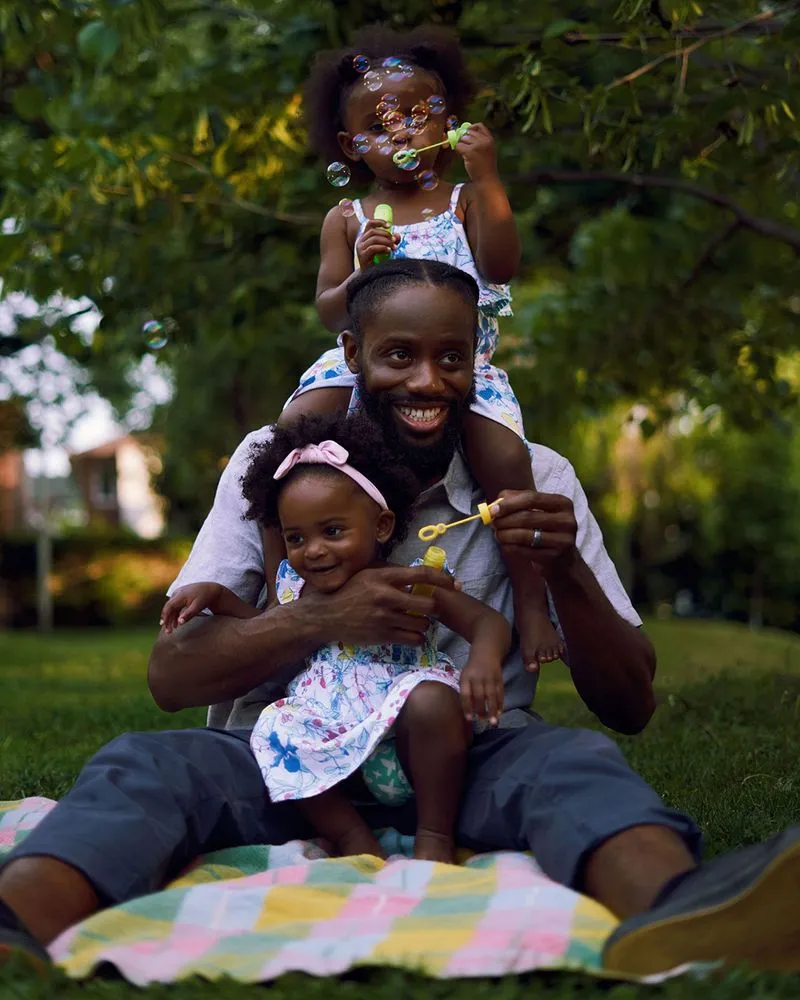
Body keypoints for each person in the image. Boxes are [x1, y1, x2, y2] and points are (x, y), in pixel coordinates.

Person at [1, 261, 799, 979]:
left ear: (476, 361)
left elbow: (631, 706)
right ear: (352, 354)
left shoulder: (535, 475)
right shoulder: (276, 468)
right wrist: (319, 620)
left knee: (573, 765)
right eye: (398, 356)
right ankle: (21, 919)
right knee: (147, 767)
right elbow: (170, 680)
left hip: (473, 759)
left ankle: (682, 911)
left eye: (451, 359)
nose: (429, 382)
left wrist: (563, 568)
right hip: (288, 764)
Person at [279, 23, 563, 673]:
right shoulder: (348, 219)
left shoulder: (464, 200)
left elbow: (503, 262)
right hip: (366, 360)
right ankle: (282, 586)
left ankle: (528, 595)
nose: (404, 131)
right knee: (294, 429)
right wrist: (356, 275)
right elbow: (329, 311)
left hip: (463, 365)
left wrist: (487, 175)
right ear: (352, 147)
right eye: (382, 126)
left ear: (448, 123)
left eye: (416, 115)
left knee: (506, 457)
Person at [160, 412, 510, 863]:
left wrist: (482, 660)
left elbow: (487, 623)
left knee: (430, 699)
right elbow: (261, 627)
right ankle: (350, 838)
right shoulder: (292, 590)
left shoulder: (405, 581)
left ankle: (435, 837)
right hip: (327, 738)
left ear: (381, 527)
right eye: (296, 538)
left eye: (332, 531)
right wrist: (217, 597)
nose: (315, 550)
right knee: (274, 729)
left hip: (408, 734)